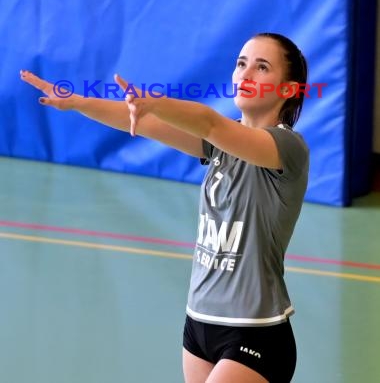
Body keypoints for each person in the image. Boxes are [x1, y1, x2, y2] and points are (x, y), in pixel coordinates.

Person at [21, 32, 309, 383]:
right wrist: (77, 102)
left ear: (288, 89)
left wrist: (154, 102)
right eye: (241, 63)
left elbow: (208, 121)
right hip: (198, 323)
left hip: (254, 331)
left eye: (262, 67)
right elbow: (143, 123)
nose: (246, 74)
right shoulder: (219, 146)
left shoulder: (288, 148)